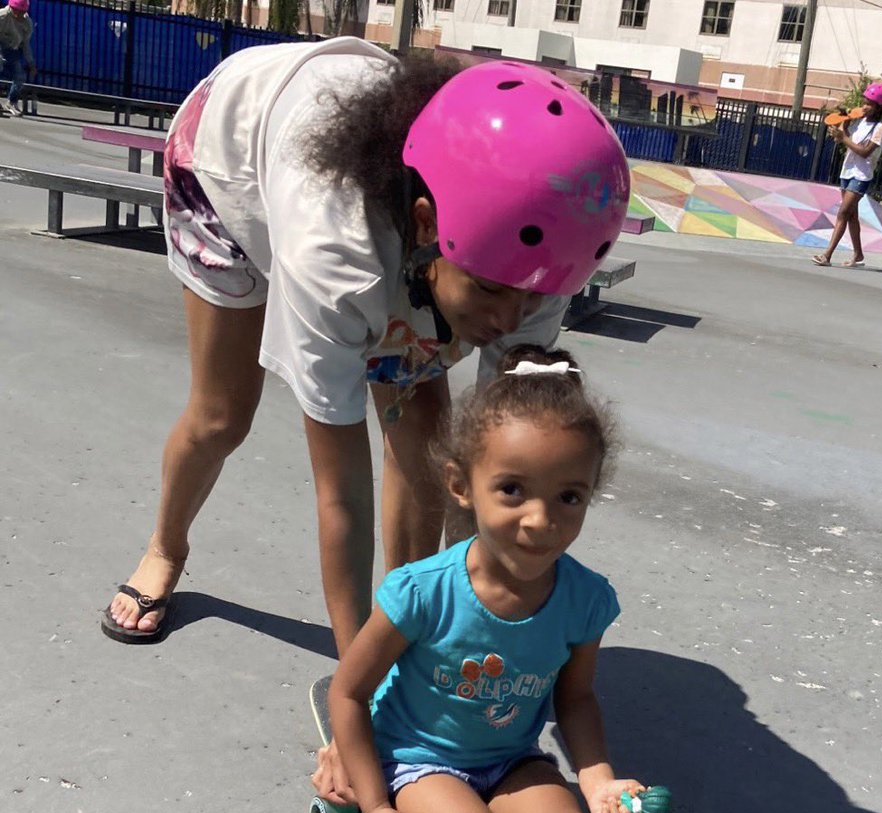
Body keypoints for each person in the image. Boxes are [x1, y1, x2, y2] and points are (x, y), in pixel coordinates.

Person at [325, 344, 786, 813]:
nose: (541, 519)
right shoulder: (420, 591)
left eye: (568, 496)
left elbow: (575, 700)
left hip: (511, 755)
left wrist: (599, 777)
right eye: (512, 489)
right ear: (460, 486)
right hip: (421, 758)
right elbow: (348, 693)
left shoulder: (585, 599)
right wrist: (374, 804)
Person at [101, 39, 626, 654]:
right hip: (228, 158)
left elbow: (497, 463)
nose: (510, 319)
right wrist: (362, 681)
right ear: (430, 226)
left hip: (398, 217)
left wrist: (472, 630)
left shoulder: (540, 259)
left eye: (531, 298)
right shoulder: (340, 260)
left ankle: (412, 622)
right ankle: (165, 547)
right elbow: (341, 495)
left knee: (429, 430)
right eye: (489, 290)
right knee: (222, 415)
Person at [812, 80, 882, 269]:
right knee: (852, 216)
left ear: (879, 107)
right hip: (847, 171)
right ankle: (858, 255)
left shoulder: (879, 128)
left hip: (861, 175)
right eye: (865, 102)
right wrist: (843, 124)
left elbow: (864, 152)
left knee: (843, 212)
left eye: (869, 104)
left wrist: (844, 138)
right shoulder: (860, 121)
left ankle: (827, 255)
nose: (865, 106)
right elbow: (847, 139)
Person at [0, 0, 36, 117]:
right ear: (12, 8)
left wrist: (31, 64)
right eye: (17, 12)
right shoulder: (2, 16)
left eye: (22, 12)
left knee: (20, 76)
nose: (20, 15)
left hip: (13, 49)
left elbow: (26, 45)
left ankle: (11, 102)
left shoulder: (27, 23)